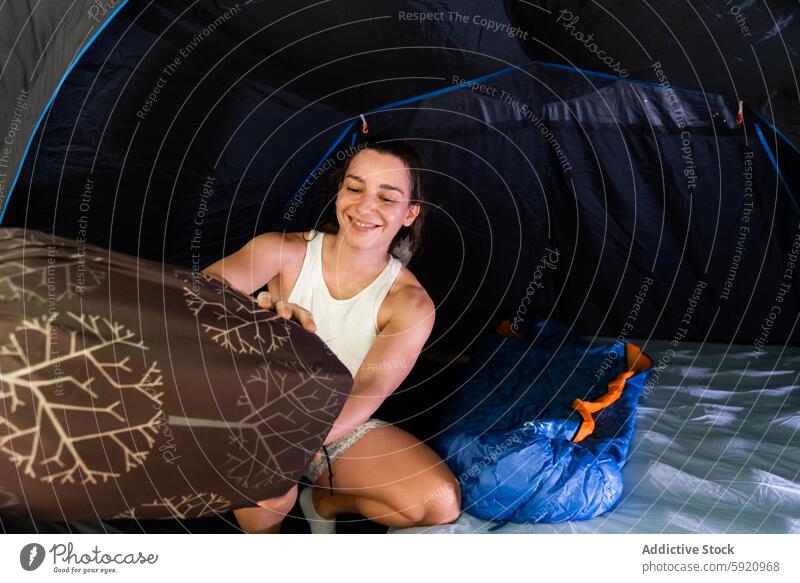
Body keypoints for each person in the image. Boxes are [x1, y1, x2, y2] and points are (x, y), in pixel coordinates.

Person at [202, 137, 461, 533]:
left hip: (335, 424)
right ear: (340, 191)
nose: (364, 207)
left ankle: (322, 501)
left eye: (387, 198)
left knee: (436, 504)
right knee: (266, 482)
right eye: (354, 188)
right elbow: (196, 298)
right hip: (251, 410)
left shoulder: (409, 303)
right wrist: (249, 319)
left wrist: (297, 436)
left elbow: (371, 387)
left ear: (410, 214)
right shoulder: (281, 251)